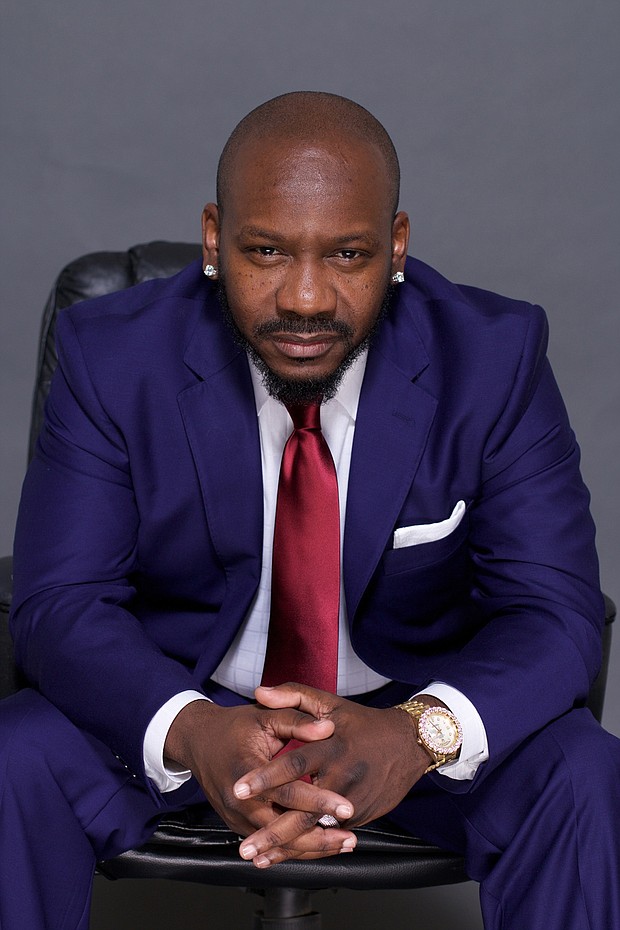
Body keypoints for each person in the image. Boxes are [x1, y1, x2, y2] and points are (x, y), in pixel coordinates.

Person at [2, 91, 619, 930]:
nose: (304, 299)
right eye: (265, 251)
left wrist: (417, 733)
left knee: (582, 773)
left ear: (395, 248)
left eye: (348, 255)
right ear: (214, 240)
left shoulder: (492, 359)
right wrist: (193, 731)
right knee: (14, 756)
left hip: (397, 714)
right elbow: (61, 604)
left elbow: (556, 612)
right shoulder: (111, 356)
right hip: (183, 698)